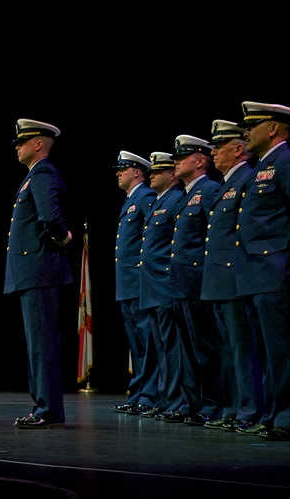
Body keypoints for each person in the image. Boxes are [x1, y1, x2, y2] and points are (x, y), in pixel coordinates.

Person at [234, 101, 290, 441]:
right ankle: (275, 414)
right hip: (258, 271)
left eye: (252, 125)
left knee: (285, 348)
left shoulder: (289, 159)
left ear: (272, 129)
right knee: (270, 351)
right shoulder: (260, 166)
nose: (246, 132)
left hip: (278, 268)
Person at [4, 119, 73, 429]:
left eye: (22, 141)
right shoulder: (33, 177)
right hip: (33, 272)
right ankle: (45, 406)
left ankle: (47, 409)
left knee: (42, 343)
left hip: (41, 270)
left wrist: (64, 239)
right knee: (38, 343)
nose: (17, 146)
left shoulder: (43, 174)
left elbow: (51, 218)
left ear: (39, 144)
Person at [201, 120, 264, 432]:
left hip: (236, 277)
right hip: (220, 280)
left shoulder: (247, 179)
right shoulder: (228, 182)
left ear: (239, 149)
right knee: (228, 348)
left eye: (219, 147)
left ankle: (249, 409)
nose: (213, 153)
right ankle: (234, 406)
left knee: (243, 348)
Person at [164, 134, 221, 426]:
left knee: (205, 347)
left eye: (180, 157)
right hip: (181, 281)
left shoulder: (209, 189)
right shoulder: (187, 193)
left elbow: (214, 237)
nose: (174, 162)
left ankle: (211, 404)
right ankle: (192, 402)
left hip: (198, 280)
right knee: (186, 349)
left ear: (200, 161)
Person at [110, 151, 158, 416]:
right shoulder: (131, 200)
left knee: (146, 341)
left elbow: (150, 240)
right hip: (127, 282)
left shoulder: (146, 197)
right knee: (137, 343)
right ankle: (139, 392)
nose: (118, 172)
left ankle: (150, 395)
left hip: (139, 281)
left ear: (137, 172)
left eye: (123, 168)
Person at [139, 151, 186, 420]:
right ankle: (166, 398)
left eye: (158, 171)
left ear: (172, 175)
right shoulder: (160, 201)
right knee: (161, 348)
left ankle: (177, 400)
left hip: (165, 284)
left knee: (173, 347)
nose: (151, 174)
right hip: (152, 285)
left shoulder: (176, 198)